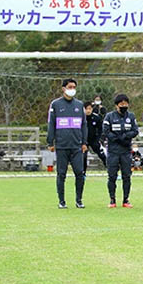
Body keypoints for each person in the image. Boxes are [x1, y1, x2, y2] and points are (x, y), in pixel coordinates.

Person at [47, 78, 88, 209]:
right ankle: (61, 201)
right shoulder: (55, 104)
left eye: (74, 87)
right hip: (61, 146)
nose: (72, 89)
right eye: (70, 87)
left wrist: (84, 142)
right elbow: (51, 124)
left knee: (79, 173)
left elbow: (84, 125)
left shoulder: (79, 105)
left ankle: (79, 200)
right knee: (61, 174)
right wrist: (50, 141)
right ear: (63, 88)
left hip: (76, 146)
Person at [102, 94, 138, 208]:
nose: (124, 106)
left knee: (126, 176)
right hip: (113, 151)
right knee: (112, 176)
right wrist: (118, 138)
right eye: (121, 104)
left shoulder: (131, 116)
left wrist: (126, 136)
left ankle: (126, 200)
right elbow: (106, 131)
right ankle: (112, 200)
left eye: (125, 104)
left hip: (126, 151)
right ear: (116, 105)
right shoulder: (109, 116)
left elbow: (135, 130)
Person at [83, 101, 107, 176]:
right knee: (83, 157)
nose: (88, 110)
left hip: (94, 140)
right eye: (86, 109)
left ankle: (110, 170)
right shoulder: (80, 118)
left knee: (102, 155)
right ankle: (83, 173)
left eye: (89, 109)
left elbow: (101, 129)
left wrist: (99, 139)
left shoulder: (96, 118)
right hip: (84, 141)